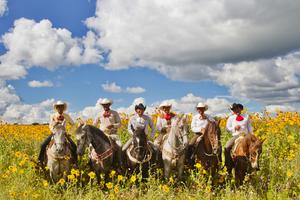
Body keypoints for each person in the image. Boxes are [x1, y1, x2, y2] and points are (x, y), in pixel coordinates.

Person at [38, 101, 77, 167]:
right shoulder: (52, 116)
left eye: (61, 106)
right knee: (43, 145)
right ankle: (40, 161)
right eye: (58, 106)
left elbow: (73, 125)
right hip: (54, 133)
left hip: (63, 134)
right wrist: (54, 128)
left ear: (63, 107)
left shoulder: (66, 116)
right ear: (56, 108)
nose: (60, 108)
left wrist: (69, 133)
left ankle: (75, 162)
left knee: (74, 146)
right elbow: (50, 125)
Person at [224, 103, 253, 175]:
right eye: (233, 109)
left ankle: (254, 165)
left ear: (240, 108)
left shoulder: (246, 116)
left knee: (255, 147)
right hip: (236, 136)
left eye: (237, 108)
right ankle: (228, 165)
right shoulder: (231, 118)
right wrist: (234, 128)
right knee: (227, 147)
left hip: (246, 136)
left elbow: (250, 127)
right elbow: (227, 128)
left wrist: (252, 136)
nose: (236, 110)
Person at [93, 98, 122, 164]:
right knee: (91, 146)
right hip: (102, 134)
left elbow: (119, 124)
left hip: (113, 134)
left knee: (120, 145)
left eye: (106, 105)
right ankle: (91, 162)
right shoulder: (99, 114)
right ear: (102, 106)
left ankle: (120, 162)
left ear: (109, 105)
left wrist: (113, 125)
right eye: (104, 105)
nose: (105, 106)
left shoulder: (114, 113)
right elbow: (94, 124)